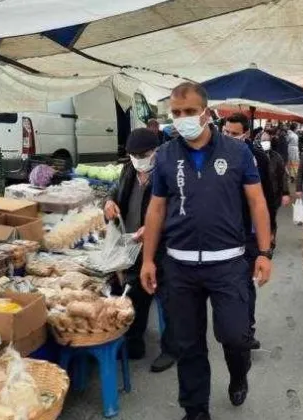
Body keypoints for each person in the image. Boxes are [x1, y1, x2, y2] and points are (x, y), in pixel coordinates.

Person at [141, 82, 273, 420]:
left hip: (228, 264)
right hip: (180, 267)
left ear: (205, 112)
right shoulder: (167, 155)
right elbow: (156, 210)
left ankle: (238, 373)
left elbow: (257, 202)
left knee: (235, 335)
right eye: (176, 113)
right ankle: (196, 409)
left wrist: (263, 252)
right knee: (188, 344)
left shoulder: (237, 152)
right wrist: (147, 260)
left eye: (188, 112)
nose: (182, 119)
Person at [104, 128, 177, 373]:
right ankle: (135, 344)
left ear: (155, 151)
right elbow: (115, 190)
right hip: (133, 244)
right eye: (133, 154)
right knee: (135, 294)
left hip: (163, 247)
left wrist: (156, 226)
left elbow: (179, 209)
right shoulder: (129, 170)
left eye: (143, 154)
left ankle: (171, 349)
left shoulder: (168, 173)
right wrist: (109, 201)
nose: (138, 159)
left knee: (167, 300)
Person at [222, 112, 277, 350]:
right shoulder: (215, 154)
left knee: (245, 284)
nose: (229, 137)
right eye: (226, 132)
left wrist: (270, 231)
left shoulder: (258, 158)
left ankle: (247, 330)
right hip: (222, 232)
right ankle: (231, 327)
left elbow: (267, 197)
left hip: (248, 232)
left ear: (246, 134)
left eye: (235, 134)